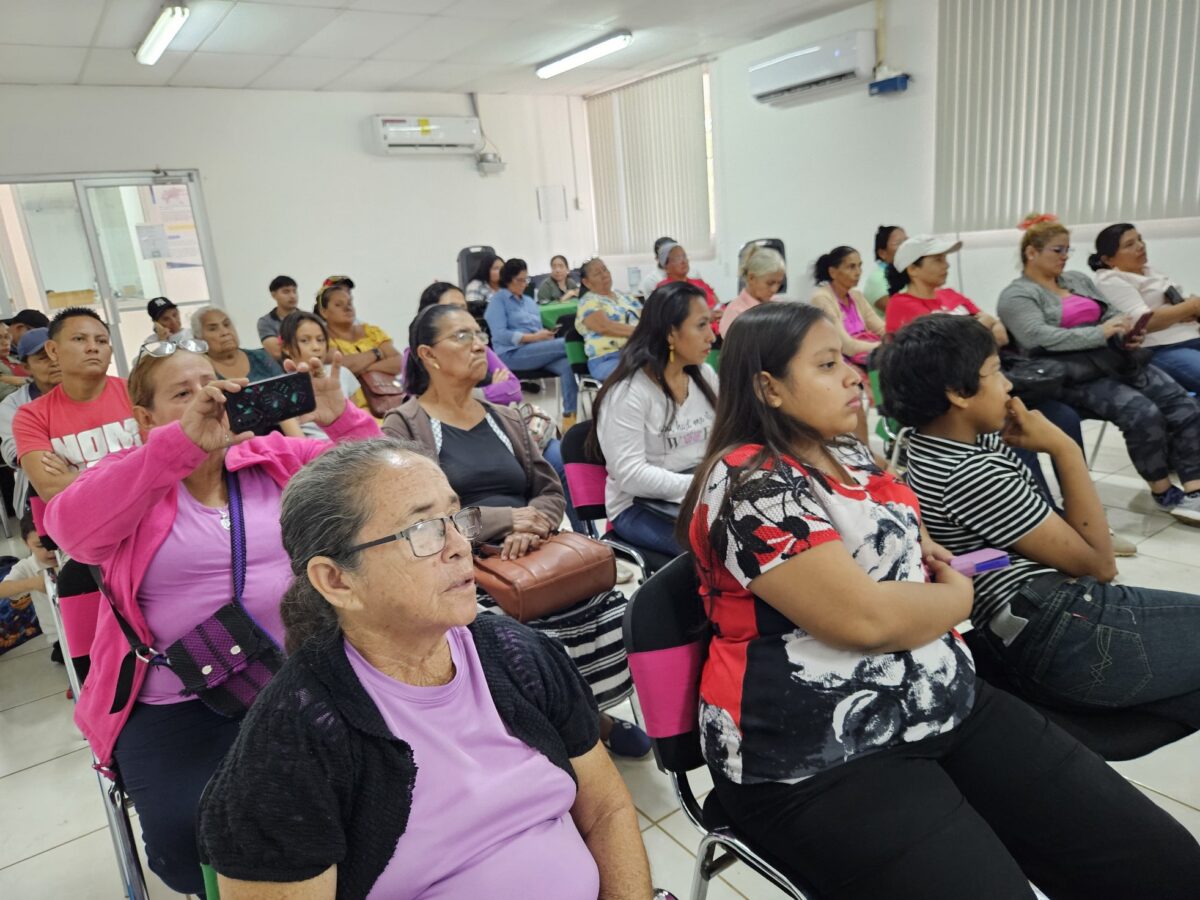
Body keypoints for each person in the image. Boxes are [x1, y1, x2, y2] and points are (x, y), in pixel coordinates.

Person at [678, 300, 1200, 900]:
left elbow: (909, 534)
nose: (853, 375)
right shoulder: (750, 483)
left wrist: (924, 557)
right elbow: (866, 620)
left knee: (1161, 863)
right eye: (827, 365)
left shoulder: (846, 452)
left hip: (944, 695)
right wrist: (957, 596)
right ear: (769, 387)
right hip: (818, 750)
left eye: (846, 359)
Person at [197, 439, 652, 899]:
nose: (460, 547)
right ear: (336, 580)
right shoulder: (291, 744)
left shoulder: (518, 655)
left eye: (456, 518)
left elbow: (606, 809)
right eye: (423, 530)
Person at [43, 344, 380, 896]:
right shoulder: (129, 476)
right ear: (145, 417)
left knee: (368, 791)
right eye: (184, 393)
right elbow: (71, 531)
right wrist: (178, 448)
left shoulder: (272, 458)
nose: (209, 400)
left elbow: (388, 484)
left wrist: (339, 416)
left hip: (295, 678)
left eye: (213, 384)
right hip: (176, 703)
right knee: (195, 834)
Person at [885, 314, 1200, 728]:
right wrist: (1065, 450)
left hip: (1035, 624)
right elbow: (1099, 565)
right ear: (958, 393)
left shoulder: (929, 445)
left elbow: (976, 554)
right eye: (996, 372)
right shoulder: (969, 472)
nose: (1008, 386)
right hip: (1062, 630)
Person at [383, 306, 636, 742]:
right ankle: (543, 733)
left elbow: (549, 488)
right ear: (428, 355)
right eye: (462, 336)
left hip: (533, 549)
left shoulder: (505, 417)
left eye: (479, 334)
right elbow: (417, 515)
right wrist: (504, 520)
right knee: (510, 630)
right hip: (464, 561)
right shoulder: (405, 425)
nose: (479, 345)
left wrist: (531, 526)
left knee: (606, 604)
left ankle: (589, 720)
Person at [997, 213, 1200, 522]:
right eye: (1057, 250)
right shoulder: (1017, 295)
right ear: (1031, 252)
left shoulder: (1076, 280)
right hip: (1074, 373)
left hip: (1116, 359)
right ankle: (1163, 492)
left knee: (1181, 404)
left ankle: (1195, 489)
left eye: (1068, 249)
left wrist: (1123, 330)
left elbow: (1112, 312)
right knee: (1142, 412)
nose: (1065, 256)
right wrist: (1099, 333)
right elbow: (1038, 337)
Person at [593, 282, 717, 558]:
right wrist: (701, 484)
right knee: (725, 550)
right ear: (671, 333)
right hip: (639, 507)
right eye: (701, 325)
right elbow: (631, 475)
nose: (711, 336)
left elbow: (727, 438)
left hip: (698, 494)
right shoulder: (628, 393)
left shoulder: (704, 376)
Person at [13, 308, 139, 504]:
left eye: (101, 341)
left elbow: (166, 463)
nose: (93, 347)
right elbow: (50, 488)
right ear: (53, 350)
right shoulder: (31, 416)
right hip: (85, 519)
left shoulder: (140, 394)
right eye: (79, 339)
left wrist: (74, 477)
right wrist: (136, 468)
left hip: (155, 515)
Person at [1090, 223, 1200, 393]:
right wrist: (1191, 305)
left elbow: (1178, 305)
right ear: (1108, 260)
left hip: (1192, 334)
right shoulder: (1110, 280)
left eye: (1139, 239)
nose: (1140, 246)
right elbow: (1143, 321)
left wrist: (1186, 308)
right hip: (1163, 346)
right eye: (1129, 244)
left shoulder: (1149, 270)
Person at [485, 258, 578, 428]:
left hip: (535, 350)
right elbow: (500, 335)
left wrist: (545, 336)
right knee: (568, 343)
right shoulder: (498, 302)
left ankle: (569, 421)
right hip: (511, 354)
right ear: (508, 280)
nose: (524, 284)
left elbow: (537, 329)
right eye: (519, 280)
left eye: (526, 279)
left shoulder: (529, 302)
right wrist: (535, 337)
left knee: (567, 365)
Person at [402, 281, 521, 406]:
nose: (460, 314)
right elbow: (419, 401)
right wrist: (488, 391)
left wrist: (472, 395)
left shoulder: (478, 345)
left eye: (464, 308)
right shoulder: (414, 354)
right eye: (451, 308)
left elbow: (514, 389)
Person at [884, 236, 1009, 346]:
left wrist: (975, 333)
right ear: (913, 269)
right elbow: (945, 347)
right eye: (938, 260)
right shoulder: (901, 304)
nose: (946, 265)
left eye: (944, 259)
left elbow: (1000, 334)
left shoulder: (950, 294)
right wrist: (983, 326)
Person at [0, 328, 61, 519]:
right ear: (26, 366)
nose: (54, 362)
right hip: (37, 498)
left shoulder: (86, 393)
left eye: (57, 353)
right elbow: (14, 451)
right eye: (43, 357)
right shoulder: (13, 405)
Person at [314, 277, 404, 401]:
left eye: (349, 303)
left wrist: (362, 369)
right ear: (324, 312)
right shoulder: (321, 338)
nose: (347, 308)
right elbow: (340, 366)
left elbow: (399, 362)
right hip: (350, 404)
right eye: (338, 305)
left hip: (386, 400)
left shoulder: (372, 331)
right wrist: (376, 353)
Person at [808, 245, 884, 367]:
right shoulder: (821, 299)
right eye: (851, 267)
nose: (858, 272)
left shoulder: (857, 296)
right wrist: (882, 346)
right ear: (833, 272)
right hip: (839, 361)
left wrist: (894, 340)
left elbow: (881, 328)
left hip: (865, 355)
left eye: (860, 266)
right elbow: (846, 346)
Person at [0, 513, 59, 655]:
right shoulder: (26, 566)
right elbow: (3, 589)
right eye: (40, 545)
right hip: (58, 635)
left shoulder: (72, 554)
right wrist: (32, 583)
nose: (50, 550)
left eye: (55, 541)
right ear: (26, 543)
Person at [575, 258, 642, 381]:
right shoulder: (588, 302)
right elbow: (605, 327)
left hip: (637, 352)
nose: (604, 274)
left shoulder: (626, 297)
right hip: (607, 358)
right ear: (586, 282)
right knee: (639, 374)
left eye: (605, 269)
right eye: (597, 273)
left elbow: (647, 319)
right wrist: (642, 331)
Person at [278, 310, 362, 402]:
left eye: (320, 340)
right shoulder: (282, 389)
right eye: (305, 340)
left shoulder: (342, 374)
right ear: (286, 347)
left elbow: (356, 411)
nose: (316, 347)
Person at [191, 306, 282, 383]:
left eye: (226, 324)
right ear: (199, 338)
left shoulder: (261, 357)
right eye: (213, 329)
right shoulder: (200, 371)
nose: (225, 332)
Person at [720, 245, 786, 338]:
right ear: (751, 278)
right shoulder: (735, 312)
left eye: (779, 283)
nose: (774, 289)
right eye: (770, 283)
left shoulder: (780, 305)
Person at [656, 241, 721, 330]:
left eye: (684, 256)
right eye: (677, 258)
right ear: (666, 266)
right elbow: (676, 319)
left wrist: (720, 312)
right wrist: (706, 317)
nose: (683, 261)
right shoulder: (665, 289)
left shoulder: (699, 283)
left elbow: (718, 303)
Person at [862, 224, 907, 313]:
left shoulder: (911, 274)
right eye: (898, 243)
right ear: (882, 253)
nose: (906, 246)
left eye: (907, 241)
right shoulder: (877, 278)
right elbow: (900, 311)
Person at [256, 275, 299, 361]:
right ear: (274, 295)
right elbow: (276, 352)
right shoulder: (266, 322)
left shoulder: (309, 319)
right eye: (286, 292)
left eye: (294, 291)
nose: (292, 296)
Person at [0, 322, 30, 402]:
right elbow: (7, 395)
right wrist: (31, 381)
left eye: (7, 337)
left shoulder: (16, 358)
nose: (5, 343)